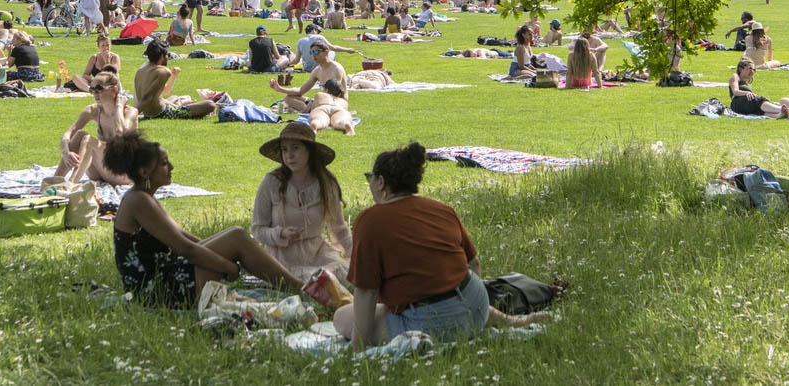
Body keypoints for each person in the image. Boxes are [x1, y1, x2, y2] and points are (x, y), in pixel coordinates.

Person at [333, 142, 548, 349]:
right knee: (457, 287)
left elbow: (366, 292)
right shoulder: (441, 208)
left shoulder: (370, 220)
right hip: (476, 306)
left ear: (380, 182)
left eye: (370, 178)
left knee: (342, 317)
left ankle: (475, 320)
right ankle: (509, 321)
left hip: (429, 323)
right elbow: (474, 264)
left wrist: (357, 348)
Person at [104, 131, 305, 306]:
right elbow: (185, 249)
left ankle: (296, 285)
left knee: (234, 235)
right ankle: (303, 289)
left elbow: (184, 236)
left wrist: (221, 252)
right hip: (157, 292)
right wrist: (228, 266)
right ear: (144, 172)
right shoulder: (138, 201)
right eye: (164, 163)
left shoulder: (143, 196)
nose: (171, 167)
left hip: (168, 276)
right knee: (236, 236)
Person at [251, 123, 353, 283]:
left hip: (317, 253)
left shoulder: (326, 183)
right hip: (281, 258)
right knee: (310, 281)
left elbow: (339, 229)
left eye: (295, 148)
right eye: (284, 149)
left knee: (341, 274)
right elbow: (257, 229)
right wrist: (280, 234)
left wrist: (355, 256)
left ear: (309, 151)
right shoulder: (271, 182)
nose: (289, 155)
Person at [55, 72, 137, 184]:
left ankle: (71, 184)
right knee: (80, 135)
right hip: (101, 170)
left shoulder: (130, 112)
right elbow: (67, 135)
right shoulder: (93, 110)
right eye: (92, 89)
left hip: (123, 172)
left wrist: (119, 106)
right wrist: (66, 153)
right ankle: (53, 181)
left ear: (114, 89)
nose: (95, 93)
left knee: (89, 141)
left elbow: (120, 131)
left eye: (99, 89)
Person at [133, 39, 217, 119]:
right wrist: (133, 113)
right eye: (167, 55)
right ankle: (184, 106)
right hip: (162, 114)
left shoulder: (141, 70)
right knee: (210, 104)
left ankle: (181, 105)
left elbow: (154, 96)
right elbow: (148, 97)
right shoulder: (163, 72)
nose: (168, 57)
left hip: (148, 112)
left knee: (174, 97)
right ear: (162, 56)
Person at [290, 24, 359, 72]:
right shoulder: (319, 37)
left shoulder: (300, 41)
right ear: (314, 30)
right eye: (317, 31)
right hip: (320, 67)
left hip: (308, 69)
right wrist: (347, 50)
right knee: (332, 53)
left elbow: (296, 60)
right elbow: (333, 47)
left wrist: (286, 65)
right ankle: (329, 69)